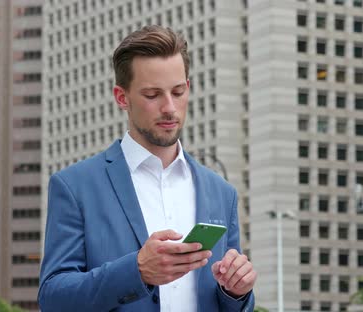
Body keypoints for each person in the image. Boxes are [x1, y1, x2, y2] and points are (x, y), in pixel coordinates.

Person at [38, 25, 257, 311]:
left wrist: (237, 293)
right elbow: (53, 298)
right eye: (153, 95)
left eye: (178, 92)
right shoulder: (75, 187)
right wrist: (136, 271)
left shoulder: (222, 193)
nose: (169, 107)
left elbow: (230, 303)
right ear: (121, 97)